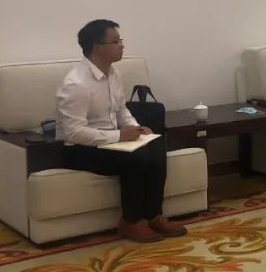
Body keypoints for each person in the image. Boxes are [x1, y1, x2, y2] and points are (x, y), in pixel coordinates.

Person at [56, 19, 187, 243]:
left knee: (155, 144)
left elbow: (121, 109)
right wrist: (118, 136)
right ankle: (131, 221)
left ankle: (153, 215)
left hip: (111, 141)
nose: (122, 46)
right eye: (116, 41)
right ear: (98, 47)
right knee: (136, 158)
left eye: (120, 40)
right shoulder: (76, 84)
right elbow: (73, 132)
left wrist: (135, 128)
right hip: (80, 150)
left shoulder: (113, 73)